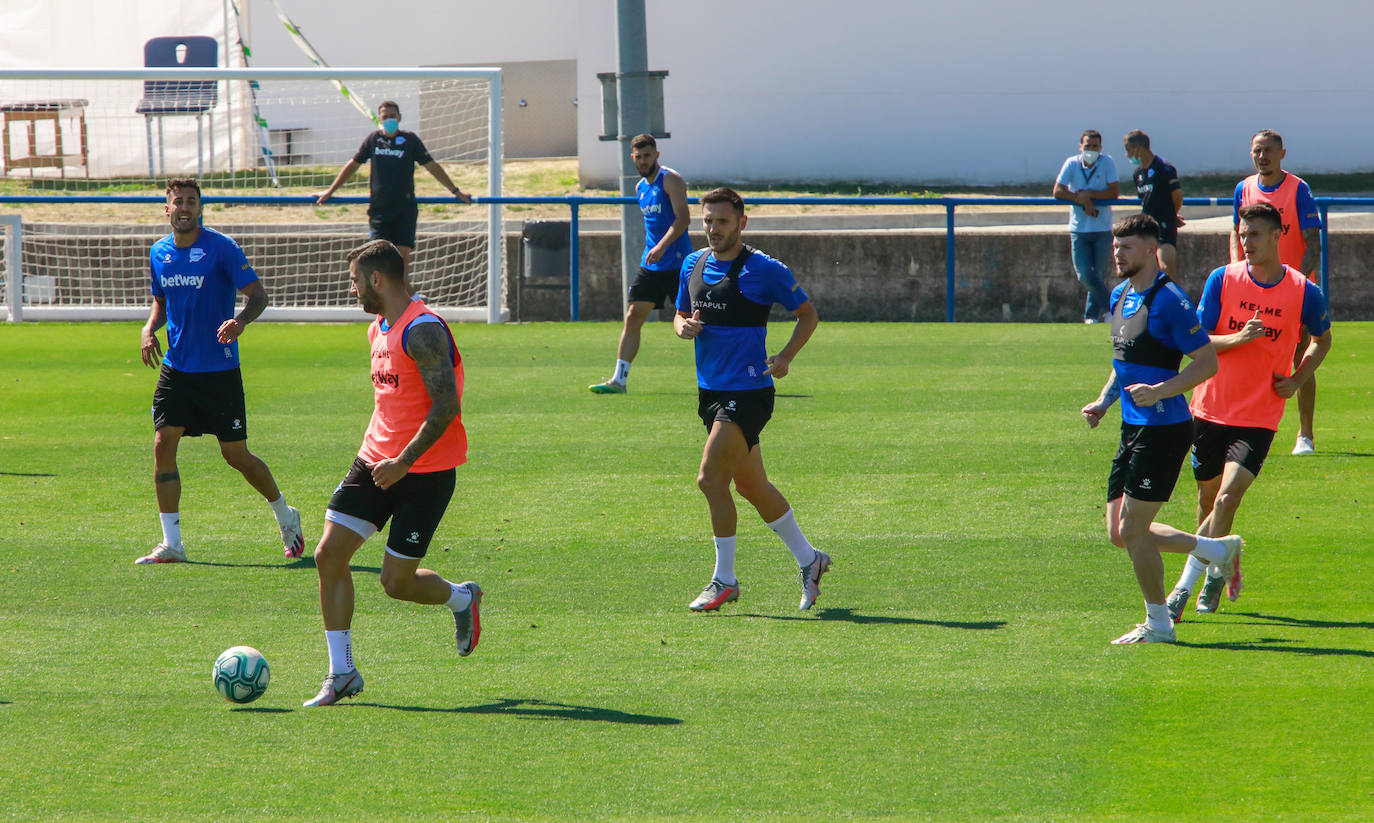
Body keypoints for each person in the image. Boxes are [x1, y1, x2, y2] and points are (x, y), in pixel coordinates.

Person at [304, 239, 481, 707]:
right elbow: (390, 404)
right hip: (374, 463)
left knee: (395, 584)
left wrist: (403, 462)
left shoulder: (422, 330)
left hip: (425, 472)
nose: (352, 289)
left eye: (354, 281)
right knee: (328, 556)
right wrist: (381, 456)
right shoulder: (377, 328)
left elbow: (446, 408)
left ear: (376, 280)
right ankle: (341, 673)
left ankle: (462, 599)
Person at [1080, 214, 1243, 645]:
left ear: (1153, 250)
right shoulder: (1119, 295)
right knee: (1119, 533)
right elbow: (1124, 364)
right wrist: (1104, 401)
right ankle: (1213, 549)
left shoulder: (1171, 300)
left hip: (1165, 429)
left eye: (1127, 247)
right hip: (1132, 428)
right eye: (1117, 247)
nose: (1118, 253)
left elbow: (1207, 362)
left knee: (1134, 529)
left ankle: (1159, 623)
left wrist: (1160, 390)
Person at [1166, 203, 1332, 619]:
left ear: (1278, 236)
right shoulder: (1222, 280)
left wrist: (1297, 378)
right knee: (1207, 503)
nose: (1247, 242)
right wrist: (1238, 338)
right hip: (1209, 408)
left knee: (1226, 499)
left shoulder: (1303, 291)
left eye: (1255, 235)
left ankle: (1187, 587)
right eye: (1243, 234)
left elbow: (1322, 339)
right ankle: (1222, 560)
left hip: (1259, 417)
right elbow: (1198, 341)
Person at [673, 187, 826, 612]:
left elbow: (807, 315)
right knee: (751, 485)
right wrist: (682, 326)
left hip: (749, 393)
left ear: (742, 222)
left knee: (709, 479)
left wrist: (785, 357)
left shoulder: (764, 269)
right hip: (711, 393)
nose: (713, 229)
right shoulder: (692, 263)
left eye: (722, 222)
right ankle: (811, 561)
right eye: (707, 221)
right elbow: (681, 313)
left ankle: (724, 579)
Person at [137, 178, 303, 564]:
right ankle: (172, 543)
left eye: (191, 202)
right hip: (176, 370)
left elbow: (258, 296)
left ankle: (285, 513)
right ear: (167, 209)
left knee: (236, 455)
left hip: (219, 371)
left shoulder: (221, 248)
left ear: (200, 208)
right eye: (177, 202)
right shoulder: (158, 253)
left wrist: (241, 321)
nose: (184, 208)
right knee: (163, 445)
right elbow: (161, 305)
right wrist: (148, 330)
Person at [1229, 129, 1324, 455]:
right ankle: (1244, 427)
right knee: (1245, 353)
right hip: (1252, 288)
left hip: (1293, 291)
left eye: (1268, 150)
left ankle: (1305, 434)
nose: (1262, 156)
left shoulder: (1298, 189)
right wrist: (1235, 270)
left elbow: (1314, 241)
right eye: (1257, 150)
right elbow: (1235, 233)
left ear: (1282, 153)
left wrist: (1294, 283)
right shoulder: (1243, 188)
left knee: (1298, 358)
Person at [317, 100, 472, 279]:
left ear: (399, 117)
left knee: (402, 261)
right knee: (379, 260)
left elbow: (432, 166)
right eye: (385, 117)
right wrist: (330, 191)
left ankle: (407, 302)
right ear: (380, 118)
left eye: (393, 116)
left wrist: (455, 191)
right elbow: (353, 165)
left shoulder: (410, 140)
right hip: (380, 211)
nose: (389, 119)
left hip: (404, 209)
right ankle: (387, 304)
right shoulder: (373, 140)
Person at [589, 134, 693, 394]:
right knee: (633, 316)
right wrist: (653, 249)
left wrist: (662, 246)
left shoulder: (671, 180)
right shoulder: (639, 188)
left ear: (656, 155)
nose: (644, 160)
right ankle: (619, 380)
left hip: (678, 264)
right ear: (632, 158)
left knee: (701, 319)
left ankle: (737, 370)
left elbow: (683, 219)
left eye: (648, 155)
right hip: (653, 265)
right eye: (639, 156)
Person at [1053, 130, 1120, 324]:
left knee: (1098, 274)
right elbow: (1058, 191)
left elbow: (1113, 192)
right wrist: (1081, 200)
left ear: (1100, 148)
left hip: (1102, 227)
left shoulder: (1107, 163)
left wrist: (1089, 194)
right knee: (1084, 274)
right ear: (1080, 147)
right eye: (1088, 146)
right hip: (1079, 228)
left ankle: (1091, 316)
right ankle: (1111, 308)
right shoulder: (1072, 163)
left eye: (1095, 146)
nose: (1091, 150)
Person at [1122, 130, 1184, 275]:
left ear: (1138, 147)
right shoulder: (1137, 173)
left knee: (1166, 266)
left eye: (1128, 150)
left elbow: (1177, 195)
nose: (1127, 155)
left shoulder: (1163, 167)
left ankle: (1176, 297)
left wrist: (1171, 214)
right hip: (1147, 227)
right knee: (1146, 269)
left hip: (1164, 226)